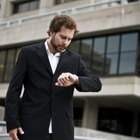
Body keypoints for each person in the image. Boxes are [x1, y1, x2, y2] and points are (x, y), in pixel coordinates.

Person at [5, 14, 102, 140]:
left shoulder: (75, 59)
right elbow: (14, 90)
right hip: (30, 128)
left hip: (62, 131)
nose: (66, 42)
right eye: (63, 37)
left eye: (69, 39)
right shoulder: (28, 53)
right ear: (51, 32)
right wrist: (12, 123)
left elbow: (96, 84)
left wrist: (76, 79)